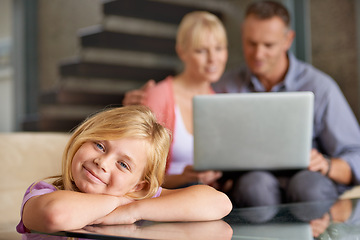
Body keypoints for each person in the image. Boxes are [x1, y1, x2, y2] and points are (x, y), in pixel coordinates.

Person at [123, 1, 360, 207]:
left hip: (305, 177)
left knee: (308, 188)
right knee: (253, 186)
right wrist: (134, 108)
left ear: (288, 40)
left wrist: (327, 164)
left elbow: (355, 153)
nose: (258, 54)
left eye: (268, 45)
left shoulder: (320, 86)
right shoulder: (223, 86)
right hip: (248, 182)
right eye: (251, 43)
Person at [16, 105, 232, 234]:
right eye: (99, 145)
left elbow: (219, 203)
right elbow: (56, 215)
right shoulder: (42, 194)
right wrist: (119, 201)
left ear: (139, 185)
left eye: (123, 164)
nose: (102, 162)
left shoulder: (136, 197)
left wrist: (133, 211)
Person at [138, 11, 229, 189]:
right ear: (182, 51)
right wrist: (182, 178)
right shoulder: (159, 96)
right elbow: (140, 172)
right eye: (201, 50)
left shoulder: (219, 103)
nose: (213, 59)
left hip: (206, 195)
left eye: (219, 48)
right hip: (166, 193)